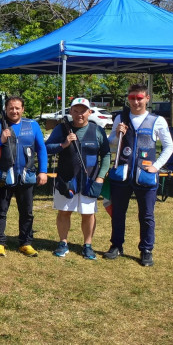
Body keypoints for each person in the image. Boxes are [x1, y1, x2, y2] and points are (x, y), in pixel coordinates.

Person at [105, 84, 173, 266]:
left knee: (147, 215)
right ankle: (116, 246)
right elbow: (111, 144)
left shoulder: (157, 120)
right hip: (122, 174)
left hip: (145, 176)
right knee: (118, 213)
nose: (135, 101)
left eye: (139, 98)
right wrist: (117, 135)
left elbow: (169, 146)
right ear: (128, 98)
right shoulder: (121, 117)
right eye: (132, 97)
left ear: (147, 99)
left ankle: (146, 250)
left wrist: (157, 166)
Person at [45, 98, 110, 260]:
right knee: (64, 212)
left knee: (88, 214)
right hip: (67, 179)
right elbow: (47, 148)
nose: (79, 114)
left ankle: (87, 245)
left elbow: (106, 155)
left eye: (83, 110)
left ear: (89, 112)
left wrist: (101, 177)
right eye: (76, 110)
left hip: (90, 179)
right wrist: (63, 145)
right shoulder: (62, 129)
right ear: (71, 112)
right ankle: (63, 242)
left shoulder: (97, 130)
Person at [0, 96, 48, 257]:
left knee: (27, 211)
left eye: (17, 108)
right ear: (6, 109)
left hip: (26, 176)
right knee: (0, 210)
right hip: (4, 176)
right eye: (11, 108)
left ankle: (26, 243)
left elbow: (41, 149)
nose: (14, 111)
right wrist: (0, 139)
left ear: (23, 109)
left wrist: (43, 171)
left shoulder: (32, 125)